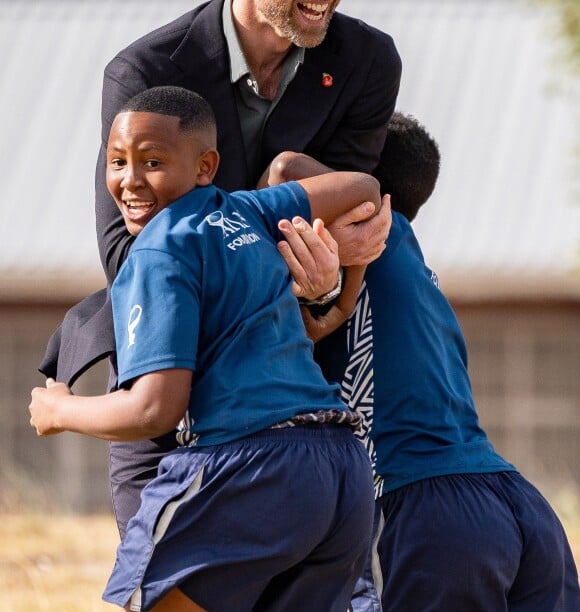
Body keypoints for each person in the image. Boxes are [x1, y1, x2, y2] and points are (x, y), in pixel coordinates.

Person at [39, 0, 401, 535]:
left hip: (296, 392)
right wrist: (297, 248)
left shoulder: (368, 62)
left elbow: (350, 228)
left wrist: (324, 286)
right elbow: (128, 252)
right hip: (166, 374)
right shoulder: (145, 72)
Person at [30, 86, 382, 612]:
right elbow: (363, 187)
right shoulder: (250, 212)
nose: (129, 181)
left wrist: (59, 409)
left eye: (152, 162)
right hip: (339, 470)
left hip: (250, 465)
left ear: (205, 165)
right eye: (117, 162)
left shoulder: (159, 247)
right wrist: (334, 283)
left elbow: (154, 408)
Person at [267, 113, 580, 611]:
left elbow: (283, 170)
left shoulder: (376, 234)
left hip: (427, 507)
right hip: (520, 506)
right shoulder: (416, 270)